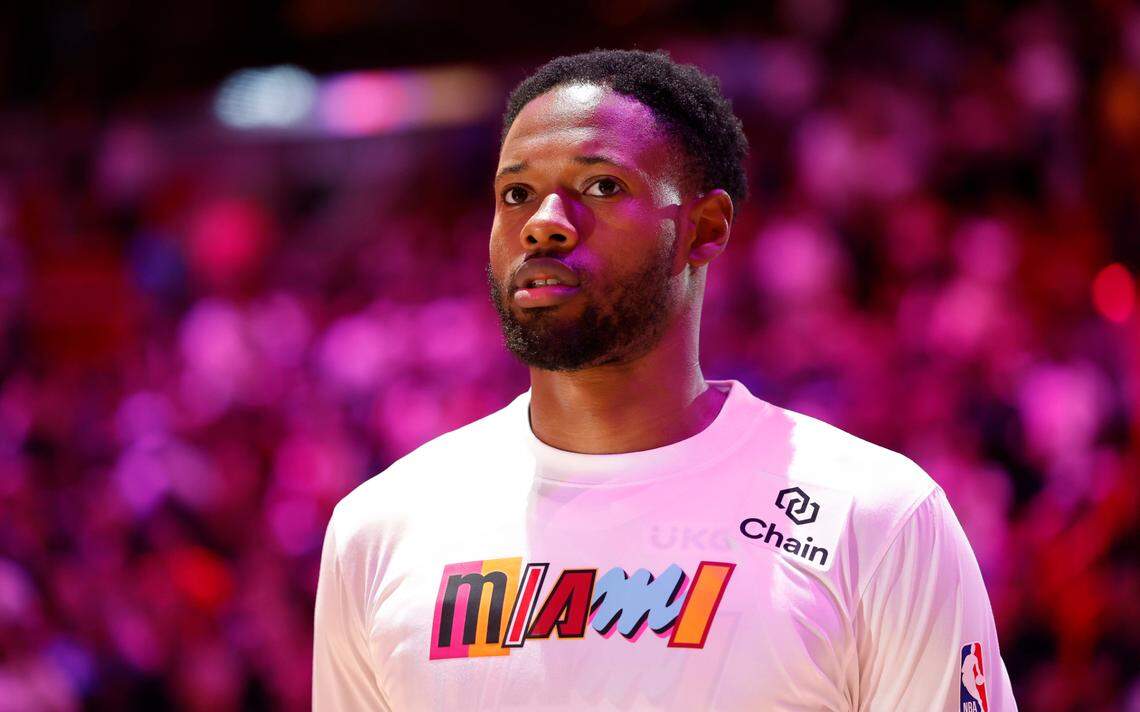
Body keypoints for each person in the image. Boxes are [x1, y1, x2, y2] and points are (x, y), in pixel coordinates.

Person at [312, 48, 1018, 711]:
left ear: (704, 227)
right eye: (517, 193)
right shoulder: (381, 529)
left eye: (601, 185)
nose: (545, 224)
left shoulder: (875, 517)